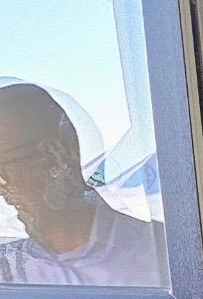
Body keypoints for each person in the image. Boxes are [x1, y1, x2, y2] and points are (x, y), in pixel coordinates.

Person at [0, 82, 164, 287]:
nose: (2, 191)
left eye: (2, 171)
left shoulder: (164, 258)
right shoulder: (9, 269)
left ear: (54, 158)